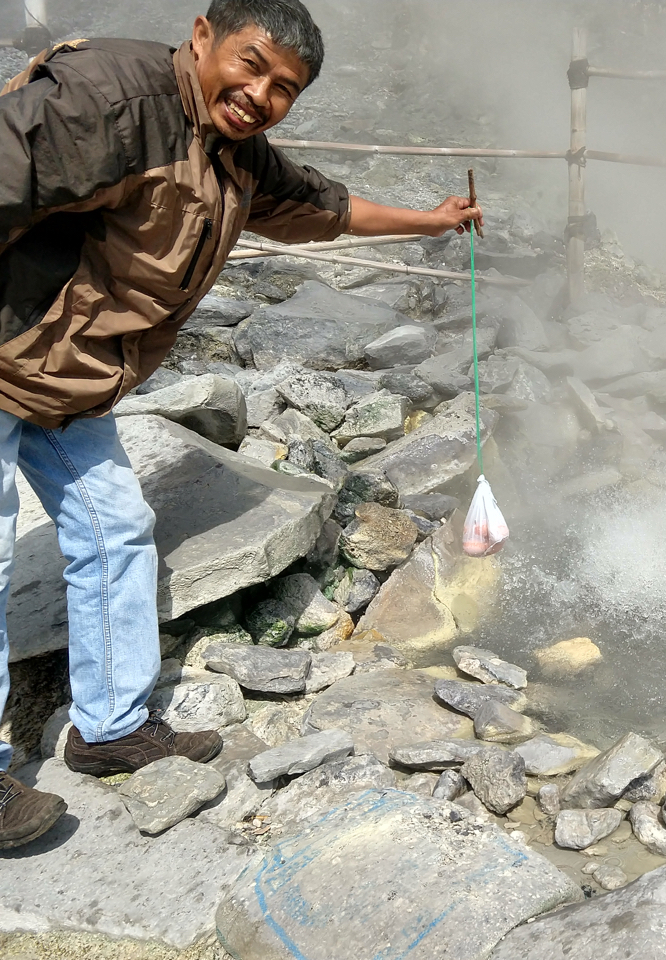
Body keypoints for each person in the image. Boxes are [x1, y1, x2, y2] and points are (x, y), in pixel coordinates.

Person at [0, 0, 482, 851]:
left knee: (116, 528)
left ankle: (108, 729)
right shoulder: (108, 100)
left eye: (284, 88)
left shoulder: (234, 153)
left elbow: (325, 207)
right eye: (250, 64)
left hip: (63, 376)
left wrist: (434, 220)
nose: (260, 93)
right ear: (201, 38)